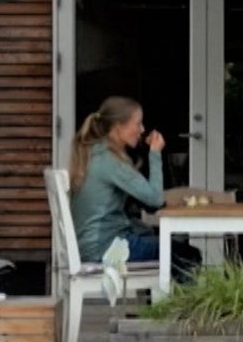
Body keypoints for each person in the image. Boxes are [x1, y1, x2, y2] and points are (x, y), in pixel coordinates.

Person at [67, 96, 196, 277]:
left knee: (159, 243)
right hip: (105, 250)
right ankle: (182, 305)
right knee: (185, 254)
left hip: (92, 246)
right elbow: (155, 199)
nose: (142, 130)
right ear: (119, 127)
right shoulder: (111, 161)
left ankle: (163, 302)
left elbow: (149, 203)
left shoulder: (95, 153)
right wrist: (155, 153)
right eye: (138, 124)